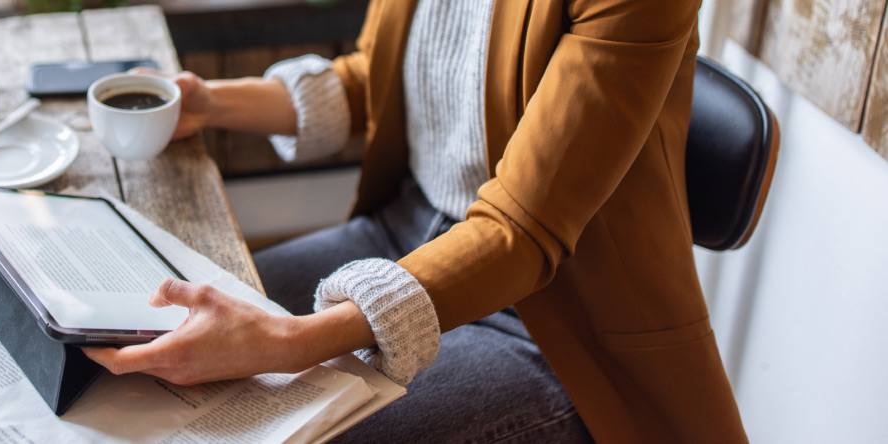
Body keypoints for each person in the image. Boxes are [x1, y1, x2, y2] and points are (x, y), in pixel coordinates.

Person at [84, 0, 748, 442]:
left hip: (553, 317)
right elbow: (380, 78)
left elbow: (525, 230)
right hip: (405, 232)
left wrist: (289, 340)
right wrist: (213, 103)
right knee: (144, 329)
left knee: (264, 429)